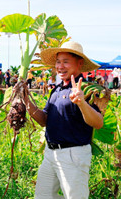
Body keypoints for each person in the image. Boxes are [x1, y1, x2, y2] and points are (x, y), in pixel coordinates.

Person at [24, 41, 103, 198]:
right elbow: (45, 120)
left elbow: (98, 122)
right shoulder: (57, 90)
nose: (60, 66)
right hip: (51, 154)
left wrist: (81, 103)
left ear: (79, 63)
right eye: (58, 62)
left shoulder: (86, 89)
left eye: (66, 62)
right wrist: (25, 100)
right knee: (42, 196)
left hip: (73, 155)